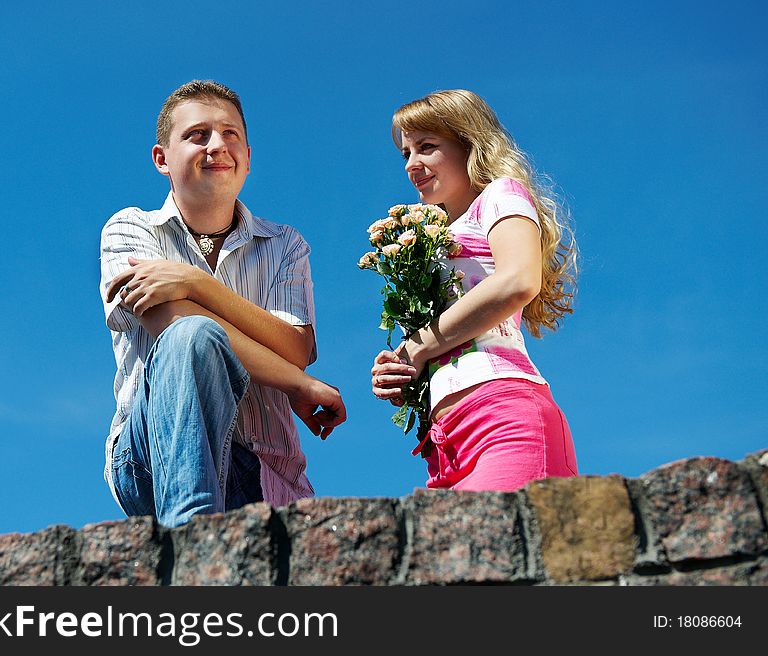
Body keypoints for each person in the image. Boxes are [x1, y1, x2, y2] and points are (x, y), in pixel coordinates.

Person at [99, 80, 346, 527]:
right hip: (151, 456)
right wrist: (296, 385)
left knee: (198, 327)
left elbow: (295, 349)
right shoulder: (130, 230)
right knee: (191, 335)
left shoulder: (285, 245)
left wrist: (197, 284)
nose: (217, 146)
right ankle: (192, 539)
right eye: (197, 135)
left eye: (230, 135)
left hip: (264, 471)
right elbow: (171, 323)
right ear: (162, 159)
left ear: (248, 158)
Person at [371, 89, 578, 492]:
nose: (412, 165)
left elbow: (518, 279)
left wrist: (417, 346)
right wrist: (403, 369)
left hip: (503, 418)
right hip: (445, 441)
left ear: (470, 145)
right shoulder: (432, 235)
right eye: (406, 154)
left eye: (427, 147)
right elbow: (447, 332)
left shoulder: (501, 194)